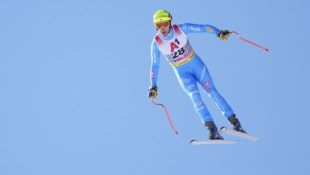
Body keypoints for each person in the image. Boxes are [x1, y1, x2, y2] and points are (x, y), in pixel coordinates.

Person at [148, 9, 246, 140]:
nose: (162, 28)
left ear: (170, 22)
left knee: (212, 92)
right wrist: (153, 85)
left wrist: (219, 32)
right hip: (182, 72)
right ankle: (212, 130)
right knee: (195, 98)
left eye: (164, 23)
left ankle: (235, 123)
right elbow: (155, 65)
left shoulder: (182, 29)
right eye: (158, 25)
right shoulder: (156, 43)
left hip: (196, 65)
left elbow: (203, 28)